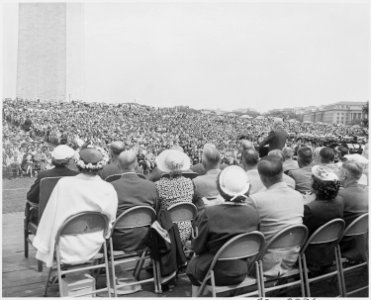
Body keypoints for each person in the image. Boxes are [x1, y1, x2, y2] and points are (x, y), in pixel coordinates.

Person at [33, 145, 118, 268]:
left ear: (78, 164)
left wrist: (45, 245)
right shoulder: (108, 188)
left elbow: (49, 217)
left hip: (66, 245)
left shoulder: (63, 184)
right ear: (101, 166)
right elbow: (111, 219)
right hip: (94, 245)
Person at [186, 166, 259, 296]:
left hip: (213, 272)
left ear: (220, 188)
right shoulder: (253, 213)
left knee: (192, 265)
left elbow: (197, 248)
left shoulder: (209, 213)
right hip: (242, 270)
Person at [250, 156, 304, 277]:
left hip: (263, 263)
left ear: (262, 177)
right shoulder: (298, 196)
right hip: (292, 258)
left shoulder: (256, 200)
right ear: (282, 173)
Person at [110, 149, 159, 252]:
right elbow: (157, 213)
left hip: (118, 240)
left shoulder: (111, 187)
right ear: (137, 165)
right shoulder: (151, 186)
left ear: (118, 165)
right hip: (146, 238)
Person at [303, 166, 343, 272]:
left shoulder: (310, 208)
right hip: (330, 250)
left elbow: (303, 234)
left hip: (310, 255)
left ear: (315, 186)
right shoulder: (340, 201)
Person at [155, 149, 194, 244]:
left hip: (167, 233)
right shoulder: (189, 182)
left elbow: (156, 208)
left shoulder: (159, 185)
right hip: (187, 231)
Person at [338, 160, 368, 261]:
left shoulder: (340, 196)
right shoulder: (367, 194)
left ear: (344, 175)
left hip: (342, 242)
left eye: (339, 171)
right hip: (361, 240)